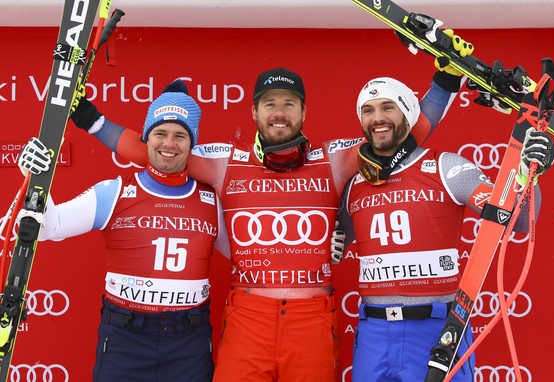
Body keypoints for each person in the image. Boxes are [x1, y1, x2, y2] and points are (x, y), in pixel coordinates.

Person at [67, 36, 472, 381]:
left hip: (311, 317)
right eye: (270, 104)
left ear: (303, 112)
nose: (279, 112)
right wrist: (90, 119)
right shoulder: (227, 162)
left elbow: (399, 138)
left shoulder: (330, 160)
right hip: (249, 315)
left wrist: (445, 81)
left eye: (289, 103)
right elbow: (157, 154)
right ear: (254, 112)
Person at [329, 77, 554, 382]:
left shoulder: (444, 167)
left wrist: (529, 173)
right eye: (368, 110)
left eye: (387, 107)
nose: (377, 118)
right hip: (374, 334)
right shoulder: (355, 184)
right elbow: (330, 247)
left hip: (436, 330)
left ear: (409, 114)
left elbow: (519, 219)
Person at [17, 80, 230, 382]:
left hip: (189, 341)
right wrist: (35, 176)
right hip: (127, 339)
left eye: (180, 135)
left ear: (191, 144)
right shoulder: (114, 192)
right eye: (160, 133)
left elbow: (246, 257)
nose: (169, 143)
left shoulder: (209, 200)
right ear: (146, 138)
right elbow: (52, 226)